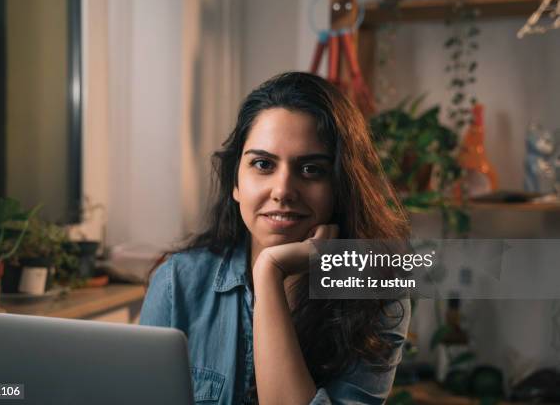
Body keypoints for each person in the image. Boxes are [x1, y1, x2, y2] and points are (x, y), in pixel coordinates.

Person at [140, 72, 411, 404]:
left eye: (311, 169)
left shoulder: (378, 297)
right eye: (263, 164)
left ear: (342, 187)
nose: (282, 190)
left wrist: (270, 271)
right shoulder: (177, 283)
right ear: (236, 183)